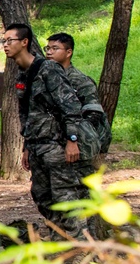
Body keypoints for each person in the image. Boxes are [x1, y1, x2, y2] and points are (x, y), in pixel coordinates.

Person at [2, 23, 90, 239]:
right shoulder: (22, 76)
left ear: (24, 42)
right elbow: (26, 114)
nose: (5, 45)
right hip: (37, 147)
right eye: (3, 41)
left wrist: (72, 140)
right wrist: (26, 147)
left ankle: (81, 251)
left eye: (9, 40)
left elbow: (71, 106)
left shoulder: (48, 69)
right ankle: (60, 243)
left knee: (66, 201)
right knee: (43, 198)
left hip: (57, 146)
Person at [45, 32, 112, 168]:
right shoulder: (45, 79)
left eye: (55, 48)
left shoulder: (80, 81)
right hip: (50, 146)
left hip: (75, 148)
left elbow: (93, 114)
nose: (49, 52)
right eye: (47, 48)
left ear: (68, 52)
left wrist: (73, 137)